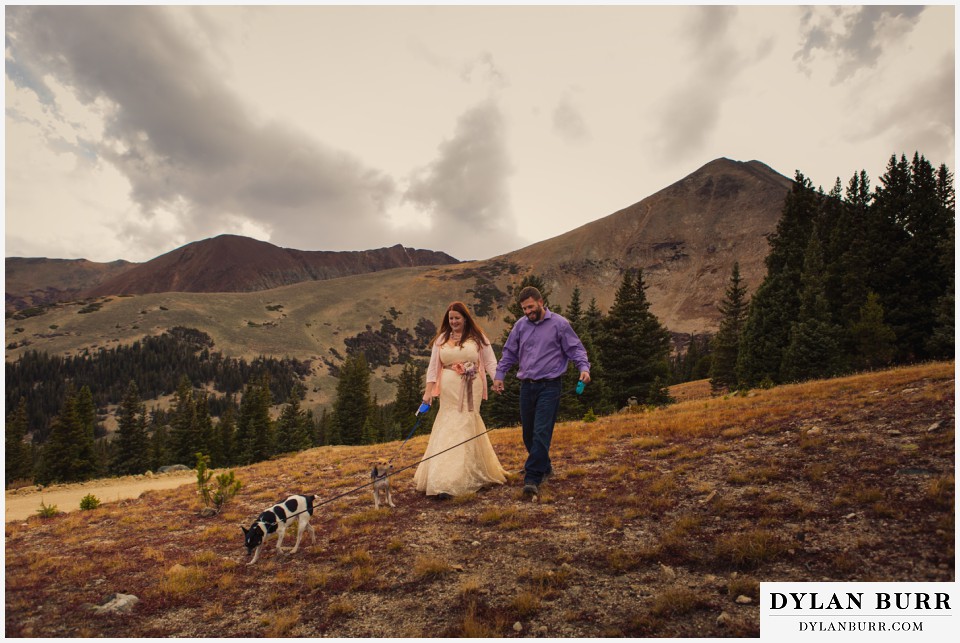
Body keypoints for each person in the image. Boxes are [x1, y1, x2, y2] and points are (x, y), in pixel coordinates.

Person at [493, 286, 590, 498]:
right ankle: (544, 466)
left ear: (540, 301)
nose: (527, 312)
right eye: (524, 309)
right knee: (528, 432)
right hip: (527, 386)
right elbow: (509, 352)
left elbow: (575, 349)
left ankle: (533, 478)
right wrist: (499, 376)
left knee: (541, 432)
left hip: (550, 385)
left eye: (530, 307)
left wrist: (584, 368)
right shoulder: (520, 326)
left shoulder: (560, 324)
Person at [413, 301, 507, 499]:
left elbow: (490, 361)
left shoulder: (478, 337)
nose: (454, 321)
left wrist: (497, 379)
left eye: (457, 318)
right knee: (449, 425)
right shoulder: (441, 340)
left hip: (472, 385)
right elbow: (432, 368)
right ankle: (442, 478)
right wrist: (428, 393)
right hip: (448, 389)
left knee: (465, 423)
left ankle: (455, 480)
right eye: (451, 318)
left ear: (465, 318)